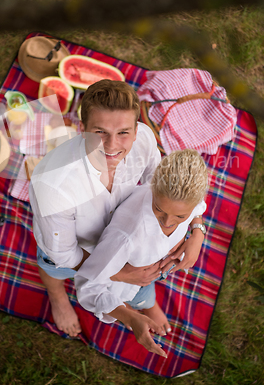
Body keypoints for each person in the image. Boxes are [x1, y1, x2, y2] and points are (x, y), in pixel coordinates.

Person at [29, 79, 163, 337]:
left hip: (121, 237)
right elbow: (65, 254)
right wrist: (120, 273)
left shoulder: (144, 139)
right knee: (53, 266)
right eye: (100, 132)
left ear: (136, 130)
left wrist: (196, 226)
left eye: (123, 133)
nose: (112, 146)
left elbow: (156, 180)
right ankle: (57, 296)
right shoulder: (52, 184)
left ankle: (145, 301)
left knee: (141, 277)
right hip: (73, 249)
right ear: (82, 129)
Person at [75, 149, 208, 358]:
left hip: (152, 270)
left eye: (181, 215)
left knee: (147, 296)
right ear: (153, 187)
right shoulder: (126, 235)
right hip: (129, 278)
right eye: (159, 209)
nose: (167, 222)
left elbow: (197, 207)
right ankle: (141, 305)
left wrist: (197, 231)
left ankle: (148, 304)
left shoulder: (184, 197)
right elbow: (88, 286)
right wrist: (128, 316)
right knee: (142, 297)